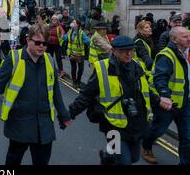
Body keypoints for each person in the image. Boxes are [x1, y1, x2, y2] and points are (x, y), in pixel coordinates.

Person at [0, 25, 72, 165]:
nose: (41, 46)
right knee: (13, 160)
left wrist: (64, 115)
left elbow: (56, 90)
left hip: (43, 125)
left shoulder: (50, 60)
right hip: (19, 122)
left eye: (45, 43)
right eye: (37, 42)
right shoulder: (14, 59)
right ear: (28, 40)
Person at [68, 36, 160, 165]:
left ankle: (106, 154)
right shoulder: (103, 68)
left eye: (131, 50)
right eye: (124, 50)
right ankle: (110, 154)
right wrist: (70, 113)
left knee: (134, 158)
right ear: (114, 50)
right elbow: (86, 95)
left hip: (135, 123)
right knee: (124, 161)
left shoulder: (138, 66)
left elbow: (146, 91)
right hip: (113, 125)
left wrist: (159, 101)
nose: (129, 53)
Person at [142, 26, 190, 165]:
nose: (189, 38)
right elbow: (160, 78)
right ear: (174, 40)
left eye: (188, 35)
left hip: (185, 102)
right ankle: (147, 144)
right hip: (168, 103)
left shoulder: (187, 53)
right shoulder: (166, 55)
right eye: (184, 36)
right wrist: (164, 96)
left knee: (187, 137)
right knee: (158, 130)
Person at [63, 19, 90, 89]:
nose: (72, 23)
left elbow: (88, 41)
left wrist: (90, 39)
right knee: (73, 68)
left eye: (74, 22)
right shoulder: (70, 31)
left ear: (77, 25)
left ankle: (78, 81)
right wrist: (64, 31)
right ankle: (74, 82)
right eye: (72, 22)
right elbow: (65, 38)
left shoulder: (81, 33)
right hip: (71, 53)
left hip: (80, 54)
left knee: (81, 69)